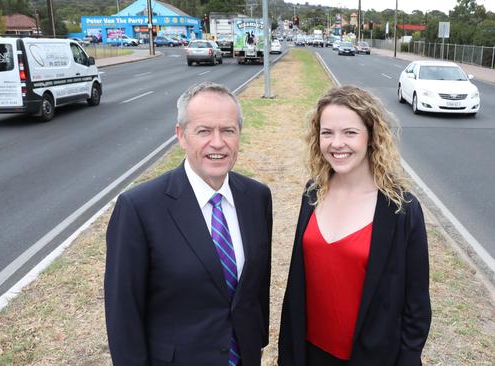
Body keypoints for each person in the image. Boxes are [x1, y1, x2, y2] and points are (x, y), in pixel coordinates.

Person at [105, 81, 273, 366]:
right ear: (181, 136)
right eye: (204, 131)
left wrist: (257, 342)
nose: (218, 143)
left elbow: (257, 288)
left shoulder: (257, 197)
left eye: (228, 130)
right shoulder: (139, 208)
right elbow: (124, 314)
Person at [278, 85, 431, 366]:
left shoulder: (401, 209)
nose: (337, 144)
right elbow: (298, 283)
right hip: (309, 354)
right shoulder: (313, 193)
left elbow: (417, 306)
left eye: (350, 132)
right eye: (328, 133)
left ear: (371, 137)